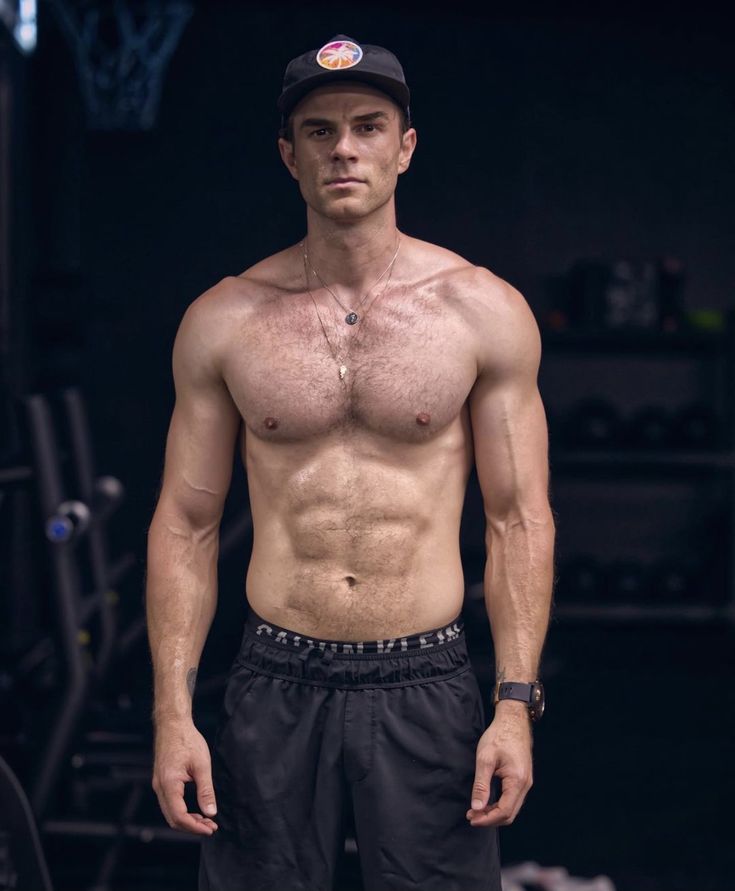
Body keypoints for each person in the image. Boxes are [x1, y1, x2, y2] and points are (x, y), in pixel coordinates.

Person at [146, 33, 555, 891]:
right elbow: (186, 523)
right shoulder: (225, 319)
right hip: (273, 678)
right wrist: (172, 714)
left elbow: (517, 516)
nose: (344, 149)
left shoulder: (481, 310)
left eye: (368, 126)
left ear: (404, 148)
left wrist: (513, 705)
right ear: (287, 154)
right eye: (320, 130)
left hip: (426, 677)